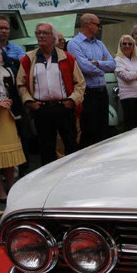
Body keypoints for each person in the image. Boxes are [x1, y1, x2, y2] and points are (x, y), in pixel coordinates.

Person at [17, 22, 84, 166]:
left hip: (64, 108)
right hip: (41, 110)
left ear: (54, 38)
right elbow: (20, 84)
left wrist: (72, 100)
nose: (41, 36)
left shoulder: (67, 58)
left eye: (45, 33)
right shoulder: (28, 59)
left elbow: (80, 83)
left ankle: (73, 175)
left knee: (71, 147)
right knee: (46, 150)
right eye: (38, 32)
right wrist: (30, 102)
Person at [67, 13, 116, 148]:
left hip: (102, 92)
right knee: (89, 131)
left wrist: (96, 63)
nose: (99, 28)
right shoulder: (74, 43)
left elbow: (113, 64)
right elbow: (83, 66)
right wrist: (103, 68)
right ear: (88, 24)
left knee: (103, 129)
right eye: (97, 24)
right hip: (87, 93)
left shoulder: (99, 43)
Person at [0, 39, 26, 204]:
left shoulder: (6, 71)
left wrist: (11, 101)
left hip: (9, 118)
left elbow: (16, 94)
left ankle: (12, 186)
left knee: (10, 158)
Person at [115, 35, 137, 132]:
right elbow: (126, 76)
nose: (127, 46)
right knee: (130, 125)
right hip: (127, 97)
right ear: (120, 45)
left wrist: (135, 74)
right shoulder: (117, 60)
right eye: (124, 43)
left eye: (130, 44)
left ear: (133, 46)